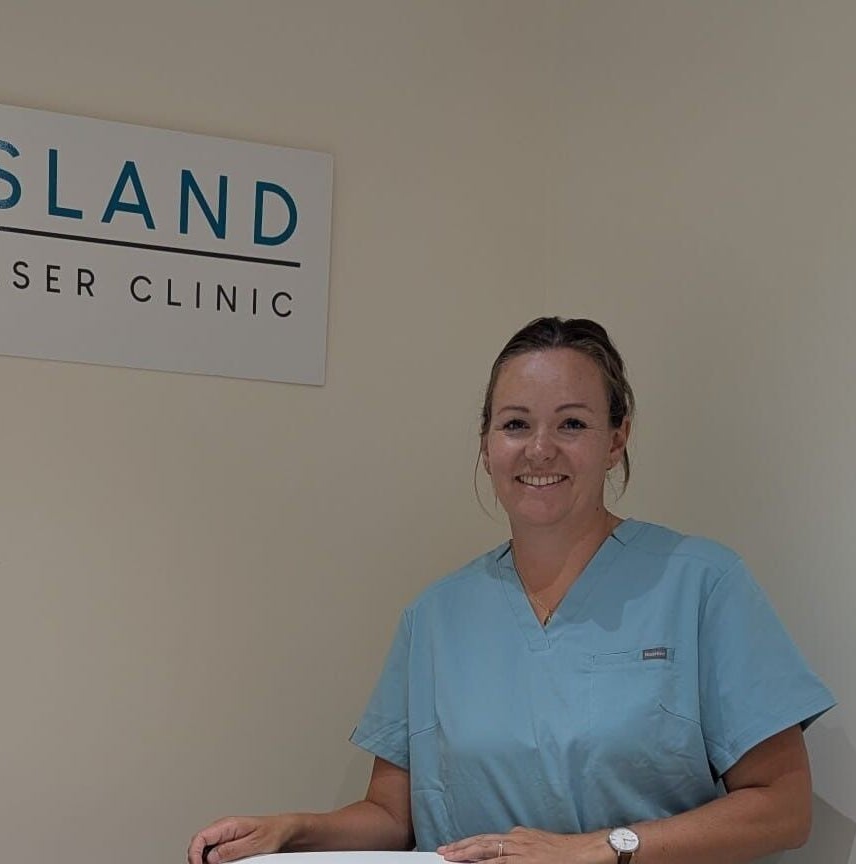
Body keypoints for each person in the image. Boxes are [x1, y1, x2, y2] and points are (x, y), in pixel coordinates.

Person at [187, 317, 835, 864]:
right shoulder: (436, 618)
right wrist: (293, 831)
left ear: (617, 439)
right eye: (516, 425)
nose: (540, 450)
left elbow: (784, 808)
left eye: (572, 424)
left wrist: (599, 850)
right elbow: (391, 817)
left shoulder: (701, 584)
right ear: (486, 445)